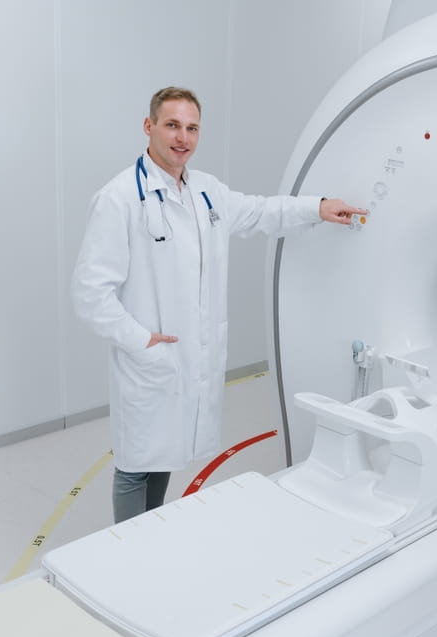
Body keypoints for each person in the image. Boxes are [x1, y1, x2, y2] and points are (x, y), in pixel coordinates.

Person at [72, 86, 366, 523]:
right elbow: (89, 292)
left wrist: (318, 207)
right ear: (148, 126)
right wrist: (140, 340)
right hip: (150, 356)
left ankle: (149, 535)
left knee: (164, 458)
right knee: (135, 465)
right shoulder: (119, 199)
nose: (182, 138)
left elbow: (263, 212)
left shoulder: (206, 192)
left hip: (186, 355)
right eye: (172, 125)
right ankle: (127, 556)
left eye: (192, 128)